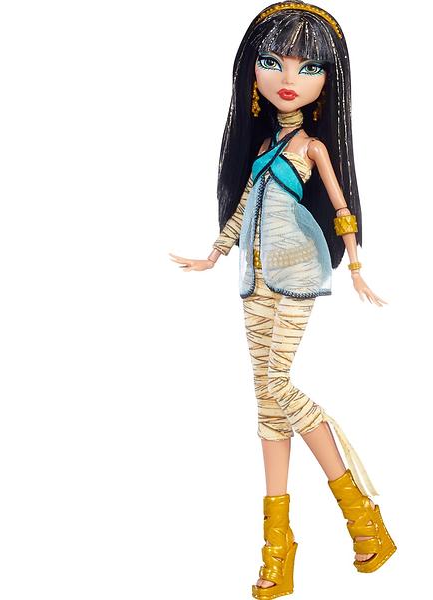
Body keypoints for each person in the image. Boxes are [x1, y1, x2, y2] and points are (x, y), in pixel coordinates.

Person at [169, 3, 396, 598]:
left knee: (278, 383)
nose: (288, 78)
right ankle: (280, 547)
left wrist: (357, 267)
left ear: (328, 81)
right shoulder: (265, 145)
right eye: (273, 62)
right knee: (267, 405)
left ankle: (359, 510)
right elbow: (244, 205)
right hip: (254, 275)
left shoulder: (312, 146)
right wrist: (214, 254)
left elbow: (342, 206)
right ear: (253, 72)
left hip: (297, 269)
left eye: (308, 66)